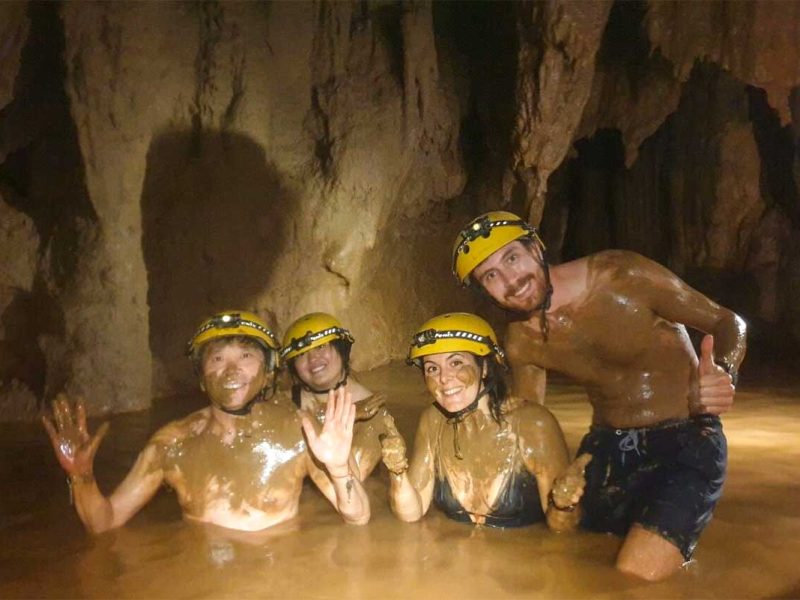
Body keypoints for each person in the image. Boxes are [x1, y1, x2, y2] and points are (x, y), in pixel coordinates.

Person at [452, 210, 746, 580]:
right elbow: (529, 418)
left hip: (686, 439)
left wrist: (725, 372)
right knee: (570, 553)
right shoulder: (522, 341)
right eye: (491, 276)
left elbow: (728, 322)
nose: (511, 281)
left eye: (512, 258)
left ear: (536, 248)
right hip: (606, 449)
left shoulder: (622, 275)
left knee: (632, 573)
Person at [42, 310, 370, 534]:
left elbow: (357, 516)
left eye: (245, 356)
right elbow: (104, 522)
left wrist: (340, 467)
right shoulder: (171, 445)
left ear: (268, 370)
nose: (231, 370)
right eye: (217, 359)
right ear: (201, 377)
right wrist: (82, 476)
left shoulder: (302, 432)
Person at [379, 312, 591, 531]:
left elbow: (562, 531)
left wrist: (563, 505)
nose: (443, 378)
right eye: (432, 368)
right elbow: (411, 515)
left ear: (485, 368)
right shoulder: (433, 421)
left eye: (456, 363)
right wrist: (397, 472)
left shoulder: (533, 424)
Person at [279, 312, 397, 498]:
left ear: (341, 350)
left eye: (322, 347)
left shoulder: (373, 411)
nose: (313, 359)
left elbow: (354, 486)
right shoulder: (285, 402)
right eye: (302, 354)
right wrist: (329, 415)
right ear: (294, 367)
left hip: (345, 499)